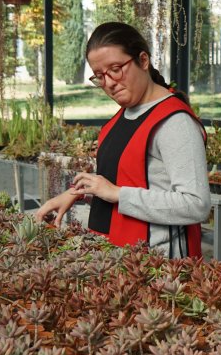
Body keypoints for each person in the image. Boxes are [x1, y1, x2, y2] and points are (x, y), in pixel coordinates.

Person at [35, 22, 210, 258]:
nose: (108, 83)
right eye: (99, 76)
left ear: (143, 60)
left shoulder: (175, 123)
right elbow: (125, 180)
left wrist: (117, 194)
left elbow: (196, 205)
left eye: (115, 69)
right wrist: (75, 194)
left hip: (156, 268)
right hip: (116, 258)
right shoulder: (123, 116)